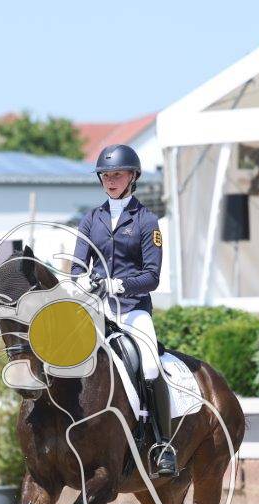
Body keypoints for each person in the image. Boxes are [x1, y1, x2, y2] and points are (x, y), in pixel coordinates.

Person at [71, 143, 174, 477]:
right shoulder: (91, 219)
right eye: (106, 175)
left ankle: (163, 444)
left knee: (150, 365)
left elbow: (152, 277)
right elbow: (76, 267)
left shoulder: (146, 220)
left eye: (117, 174)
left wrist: (119, 285)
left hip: (131, 310)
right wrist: (82, 281)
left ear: (133, 177)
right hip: (96, 310)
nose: (111, 180)